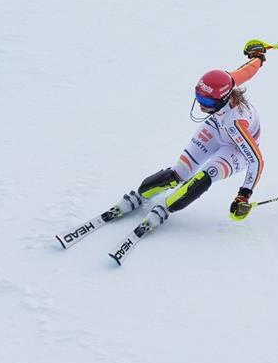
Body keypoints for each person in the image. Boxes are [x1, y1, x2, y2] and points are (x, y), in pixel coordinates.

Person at [110, 40, 269, 239]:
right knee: (179, 172)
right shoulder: (228, 81)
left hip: (236, 149)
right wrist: (259, 56)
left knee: (206, 175)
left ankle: (166, 208)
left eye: (208, 102)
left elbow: (256, 159)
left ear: (223, 98)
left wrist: (244, 195)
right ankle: (139, 195)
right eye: (199, 98)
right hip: (216, 128)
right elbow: (248, 71)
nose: (202, 106)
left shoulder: (237, 124)